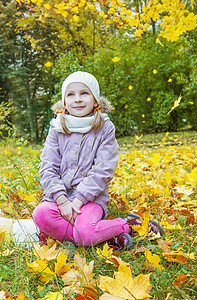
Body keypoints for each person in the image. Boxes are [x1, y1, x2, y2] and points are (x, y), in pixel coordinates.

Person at [0, 71, 164, 249]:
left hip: (90, 199)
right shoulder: (56, 128)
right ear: (64, 102)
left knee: (86, 232)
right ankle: (104, 237)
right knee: (40, 214)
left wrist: (78, 200)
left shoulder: (104, 128)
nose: (77, 99)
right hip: (59, 198)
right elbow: (48, 167)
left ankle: (128, 225)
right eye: (71, 94)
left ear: (95, 101)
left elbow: (103, 169)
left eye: (84, 93)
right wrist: (62, 200)